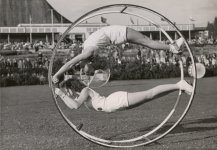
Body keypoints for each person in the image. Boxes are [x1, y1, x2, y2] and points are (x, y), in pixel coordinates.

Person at [52, 25, 184, 83]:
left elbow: (69, 64)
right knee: (147, 41)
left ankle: (173, 48)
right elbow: (72, 67)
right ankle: (172, 47)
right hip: (117, 34)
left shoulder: (86, 54)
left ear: (83, 66)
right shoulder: (86, 54)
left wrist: (57, 74)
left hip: (119, 32)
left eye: (89, 71)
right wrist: (62, 76)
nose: (92, 70)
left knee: (147, 41)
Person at [55, 78, 193, 113]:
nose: (68, 93)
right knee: (150, 96)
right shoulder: (81, 94)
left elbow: (75, 106)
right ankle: (177, 87)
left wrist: (61, 94)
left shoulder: (84, 91)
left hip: (117, 101)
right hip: (116, 104)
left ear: (72, 87)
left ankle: (179, 84)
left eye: (68, 90)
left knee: (149, 93)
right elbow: (72, 104)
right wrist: (61, 95)